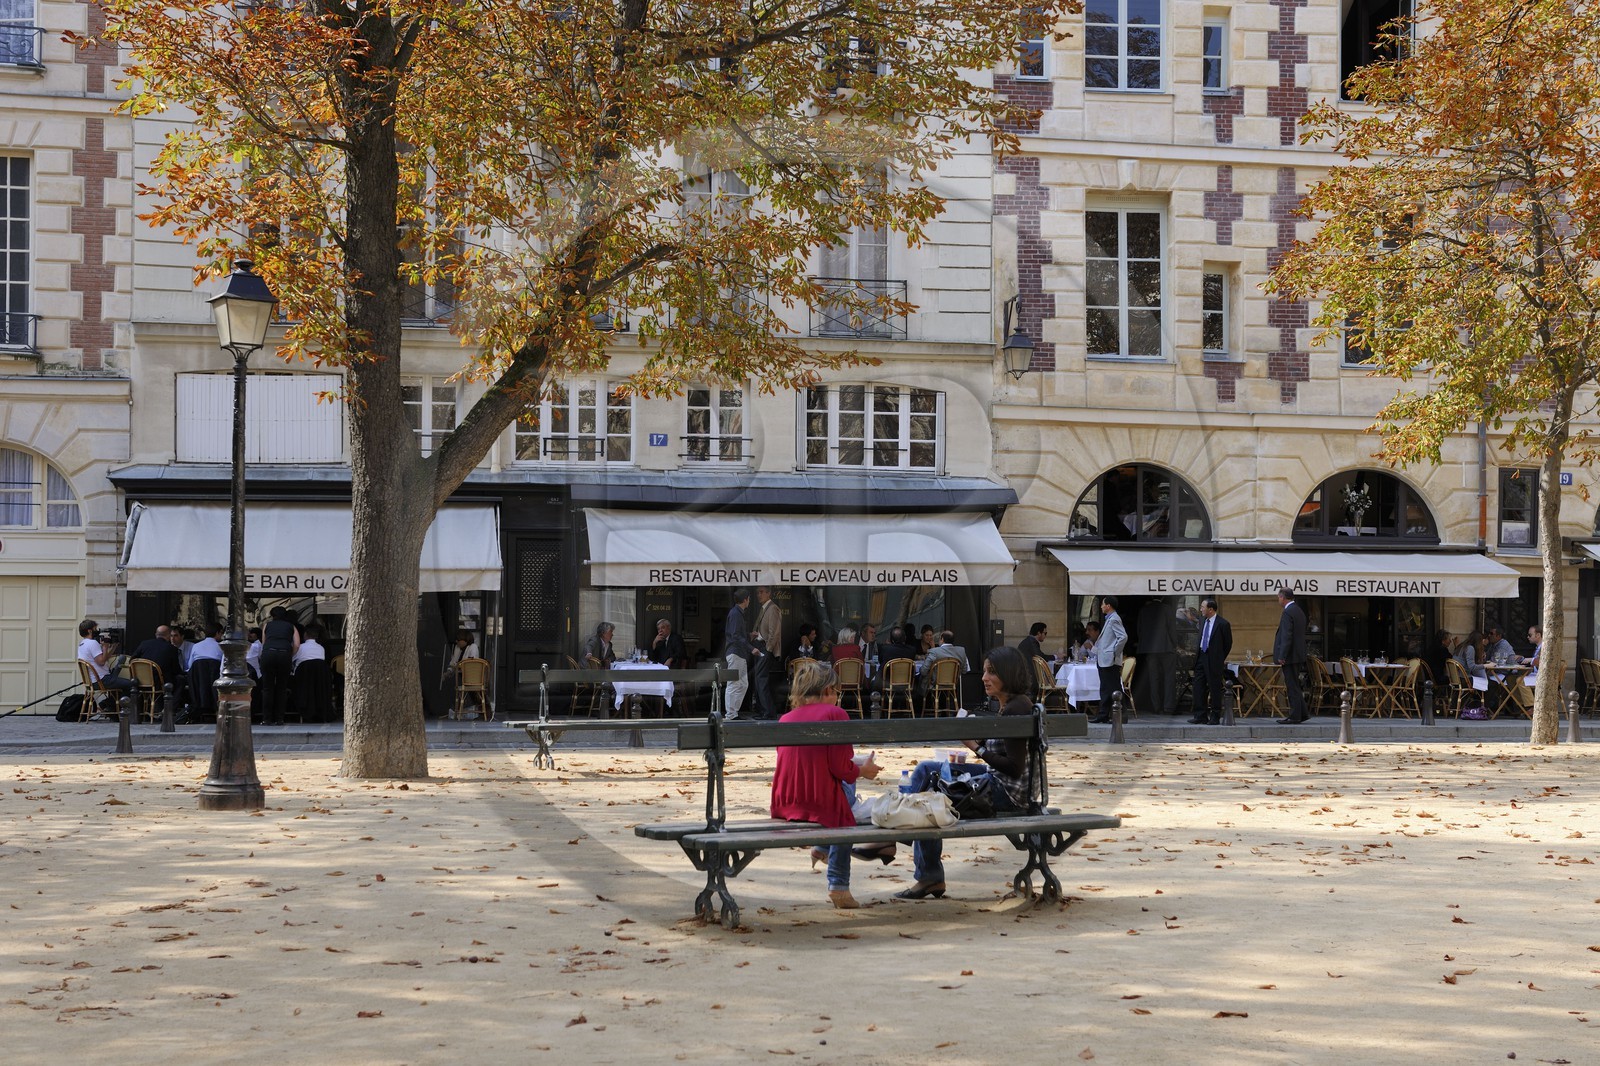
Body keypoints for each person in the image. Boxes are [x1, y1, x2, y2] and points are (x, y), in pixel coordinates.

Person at [896, 646, 1035, 901]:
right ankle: (898, 835)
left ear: (1009, 674)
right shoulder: (1012, 705)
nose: (984, 678)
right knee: (927, 769)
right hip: (998, 781)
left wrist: (977, 746)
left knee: (929, 798)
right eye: (984, 671)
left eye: (991, 672)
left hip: (1006, 792)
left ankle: (927, 874)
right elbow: (1006, 749)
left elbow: (1015, 768)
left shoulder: (1016, 709)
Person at [770, 660, 885, 910]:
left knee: (845, 793)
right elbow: (841, 769)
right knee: (845, 812)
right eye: (836, 691)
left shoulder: (785, 719)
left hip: (786, 801)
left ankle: (821, 847)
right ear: (827, 691)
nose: (837, 697)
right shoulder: (836, 714)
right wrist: (863, 770)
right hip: (819, 801)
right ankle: (838, 885)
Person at [1187, 598, 1233, 724]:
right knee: (1198, 687)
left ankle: (1215, 716)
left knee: (1214, 688)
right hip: (1201, 656)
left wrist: (1219, 658)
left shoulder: (1223, 624)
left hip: (1214, 660)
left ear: (1210, 609)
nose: (1201, 609)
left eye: (1202, 607)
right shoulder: (1202, 620)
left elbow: (1228, 644)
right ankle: (1200, 715)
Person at [78, 619, 138, 710]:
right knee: (132, 685)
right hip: (102, 680)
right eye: (95, 628)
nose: (97, 631)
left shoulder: (82, 644)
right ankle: (111, 706)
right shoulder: (92, 643)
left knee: (119, 674)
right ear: (90, 630)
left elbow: (103, 658)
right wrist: (105, 647)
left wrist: (112, 648)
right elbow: (101, 662)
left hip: (93, 681)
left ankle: (108, 705)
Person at [1136, 598, 1178, 715]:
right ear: (1162, 598)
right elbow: (1172, 629)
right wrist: (1175, 644)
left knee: (1153, 678)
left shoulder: (1143, 610)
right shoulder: (1167, 609)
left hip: (1149, 649)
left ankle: (1156, 707)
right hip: (1166, 647)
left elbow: (1139, 630)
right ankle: (1168, 707)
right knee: (1169, 678)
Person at [259, 605, 299, 726]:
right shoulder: (292, 627)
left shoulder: (267, 625)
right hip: (284, 655)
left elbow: (263, 643)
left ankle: (266, 718)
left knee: (267, 687)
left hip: (268, 654)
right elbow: (296, 644)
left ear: (272, 615)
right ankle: (280, 718)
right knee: (281, 688)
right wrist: (289, 654)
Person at [1274, 586, 1309, 724]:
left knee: (1292, 686)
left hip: (1290, 656)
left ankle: (1295, 716)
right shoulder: (1299, 611)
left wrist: (1282, 655)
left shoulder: (1288, 612)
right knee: (1294, 684)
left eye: (1278, 597)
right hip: (1297, 654)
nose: (1278, 599)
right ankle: (1303, 714)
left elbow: (1287, 635)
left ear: (1283, 597)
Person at [749, 585, 783, 720]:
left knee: (761, 680)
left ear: (769, 594)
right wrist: (756, 635)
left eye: (761, 592)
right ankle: (763, 710)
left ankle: (768, 712)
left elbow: (774, 632)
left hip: (764, 648)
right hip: (759, 646)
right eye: (757, 592)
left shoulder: (773, 608)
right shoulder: (764, 608)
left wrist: (768, 649)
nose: (759, 595)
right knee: (758, 680)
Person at [1092, 597, 1128, 724]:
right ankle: (1103, 714)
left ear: (1108, 606)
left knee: (1114, 688)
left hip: (1109, 660)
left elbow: (1123, 637)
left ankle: (1122, 715)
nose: (1101, 607)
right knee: (1106, 688)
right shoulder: (1110, 619)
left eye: (1102, 604)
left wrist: (1114, 653)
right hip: (1104, 659)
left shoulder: (1114, 619)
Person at [723, 588, 753, 720]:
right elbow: (735, 636)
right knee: (734, 684)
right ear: (746, 599)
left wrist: (748, 635)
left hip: (738, 653)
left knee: (743, 684)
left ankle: (733, 712)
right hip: (736, 652)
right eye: (749, 598)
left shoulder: (737, 613)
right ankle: (731, 714)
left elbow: (736, 634)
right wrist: (751, 648)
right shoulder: (736, 614)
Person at [132, 624, 183, 688]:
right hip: (161, 683)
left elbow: (132, 661)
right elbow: (176, 670)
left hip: (141, 681)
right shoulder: (172, 648)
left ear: (156, 634)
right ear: (168, 635)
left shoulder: (144, 644)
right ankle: (173, 698)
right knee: (180, 679)